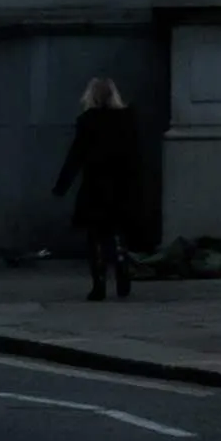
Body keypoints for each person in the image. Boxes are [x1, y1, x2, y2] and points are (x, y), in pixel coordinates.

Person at [54, 72, 142, 296]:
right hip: (122, 186)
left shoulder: (87, 121)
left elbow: (76, 156)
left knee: (96, 236)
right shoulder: (128, 119)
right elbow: (136, 156)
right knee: (118, 232)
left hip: (96, 185)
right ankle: (123, 271)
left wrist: (61, 186)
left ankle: (99, 283)